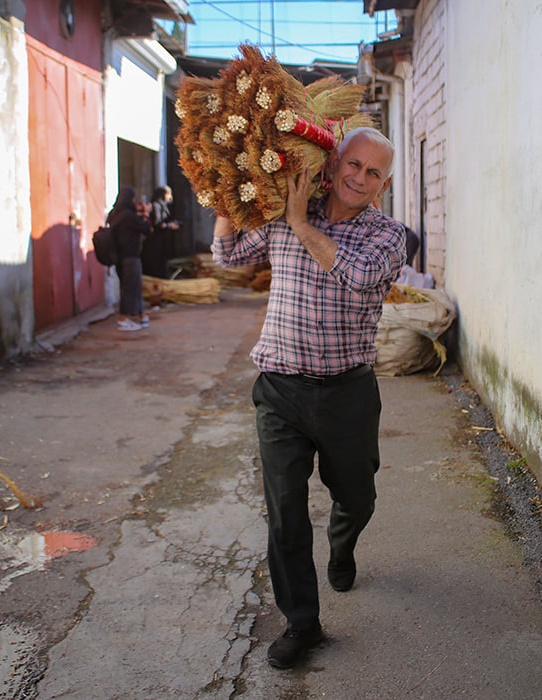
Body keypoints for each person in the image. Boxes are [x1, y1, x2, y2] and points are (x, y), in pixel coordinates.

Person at [212, 127, 406, 669]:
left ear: (384, 185)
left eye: (373, 173)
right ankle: (302, 623)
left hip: (348, 392)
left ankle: (343, 547)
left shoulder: (388, 236)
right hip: (281, 390)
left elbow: (360, 277)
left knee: (356, 496)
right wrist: (224, 186)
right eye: (353, 164)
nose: (359, 178)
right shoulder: (285, 209)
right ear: (333, 162)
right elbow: (228, 253)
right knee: (285, 512)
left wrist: (301, 224)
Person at [107, 186, 152, 331]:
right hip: (131, 256)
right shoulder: (128, 216)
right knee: (130, 289)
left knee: (133, 287)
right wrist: (146, 213)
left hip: (119, 257)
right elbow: (146, 229)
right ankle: (123, 320)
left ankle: (142, 316)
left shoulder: (114, 215)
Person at [142, 186, 181, 278]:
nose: (169, 197)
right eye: (168, 194)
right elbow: (157, 223)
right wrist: (169, 225)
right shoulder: (156, 205)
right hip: (154, 241)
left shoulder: (163, 206)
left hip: (161, 240)